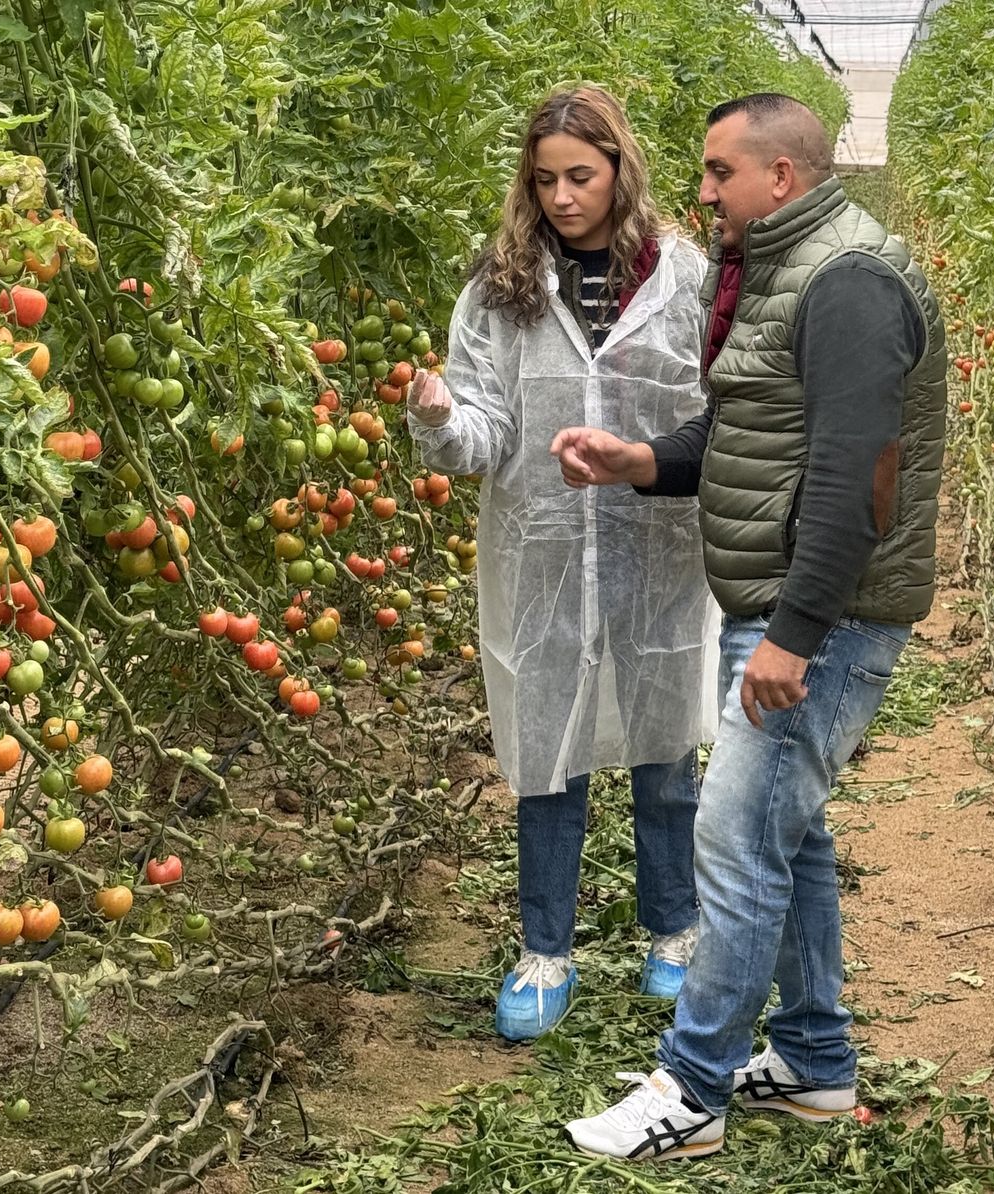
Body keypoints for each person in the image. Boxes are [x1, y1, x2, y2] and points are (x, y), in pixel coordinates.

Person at [549, 93, 946, 1159]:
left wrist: (795, 635)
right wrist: (644, 463)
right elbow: (748, 425)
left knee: (732, 839)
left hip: (818, 615)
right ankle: (815, 1064)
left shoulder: (850, 280)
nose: (703, 191)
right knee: (787, 833)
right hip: (773, 601)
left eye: (720, 171)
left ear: (783, 175)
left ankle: (692, 1089)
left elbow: (855, 473)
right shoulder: (784, 268)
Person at [404, 85, 717, 1042]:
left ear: (622, 167)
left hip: (657, 544)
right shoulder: (501, 291)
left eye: (580, 176)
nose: (562, 198)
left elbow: (714, 405)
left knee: (665, 748)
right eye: (544, 181)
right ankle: (546, 950)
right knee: (548, 756)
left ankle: (675, 931)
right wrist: (439, 418)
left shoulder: (684, 279)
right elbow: (490, 434)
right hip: (540, 553)